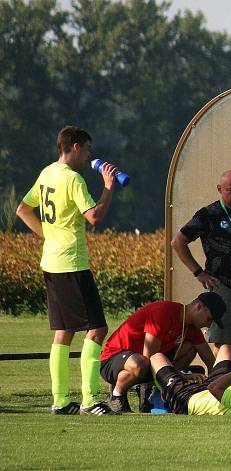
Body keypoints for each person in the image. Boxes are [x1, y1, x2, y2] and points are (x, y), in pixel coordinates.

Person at [16, 125, 119, 415]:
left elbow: (23, 209)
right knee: (97, 329)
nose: (89, 156)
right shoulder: (73, 179)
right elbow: (95, 217)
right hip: (72, 263)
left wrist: (47, 236)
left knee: (64, 331)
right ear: (74, 146)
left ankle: (60, 400)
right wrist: (108, 188)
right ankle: (90, 400)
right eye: (87, 149)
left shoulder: (47, 172)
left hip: (51, 261)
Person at [171, 170, 231, 385]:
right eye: (230, 191)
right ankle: (223, 386)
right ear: (219, 190)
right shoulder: (208, 215)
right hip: (222, 287)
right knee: (223, 343)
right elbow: (178, 242)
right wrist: (199, 273)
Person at [99, 292, 226, 412]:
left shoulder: (191, 327)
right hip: (112, 360)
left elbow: (211, 362)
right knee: (140, 363)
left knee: (190, 348)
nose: (208, 325)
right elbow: (149, 356)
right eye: (209, 319)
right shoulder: (163, 312)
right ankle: (116, 396)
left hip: (144, 364)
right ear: (198, 307)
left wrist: (218, 387)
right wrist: (181, 376)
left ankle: (152, 390)